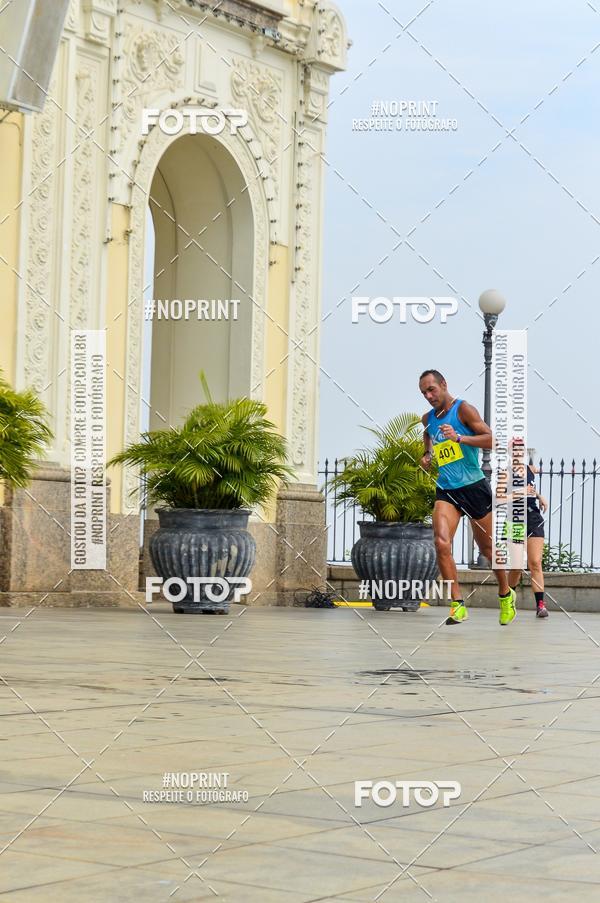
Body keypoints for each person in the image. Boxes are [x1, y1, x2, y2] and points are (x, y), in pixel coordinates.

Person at [419, 369, 515, 626]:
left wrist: (460, 437)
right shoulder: (427, 418)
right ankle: (457, 604)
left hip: (474, 487)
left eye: (432, 389)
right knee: (441, 542)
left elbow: (494, 440)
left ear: (444, 385)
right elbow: (428, 435)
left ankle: (506, 594)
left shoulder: (464, 410)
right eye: (424, 392)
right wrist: (427, 455)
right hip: (447, 489)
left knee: (487, 549)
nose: (429, 395)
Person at [506, 463, 549, 618]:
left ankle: (540, 605)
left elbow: (530, 488)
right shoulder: (506, 471)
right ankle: (508, 602)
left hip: (533, 517)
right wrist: (520, 492)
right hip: (515, 518)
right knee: (516, 566)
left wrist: (539, 496)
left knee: (535, 563)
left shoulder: (530, 469)